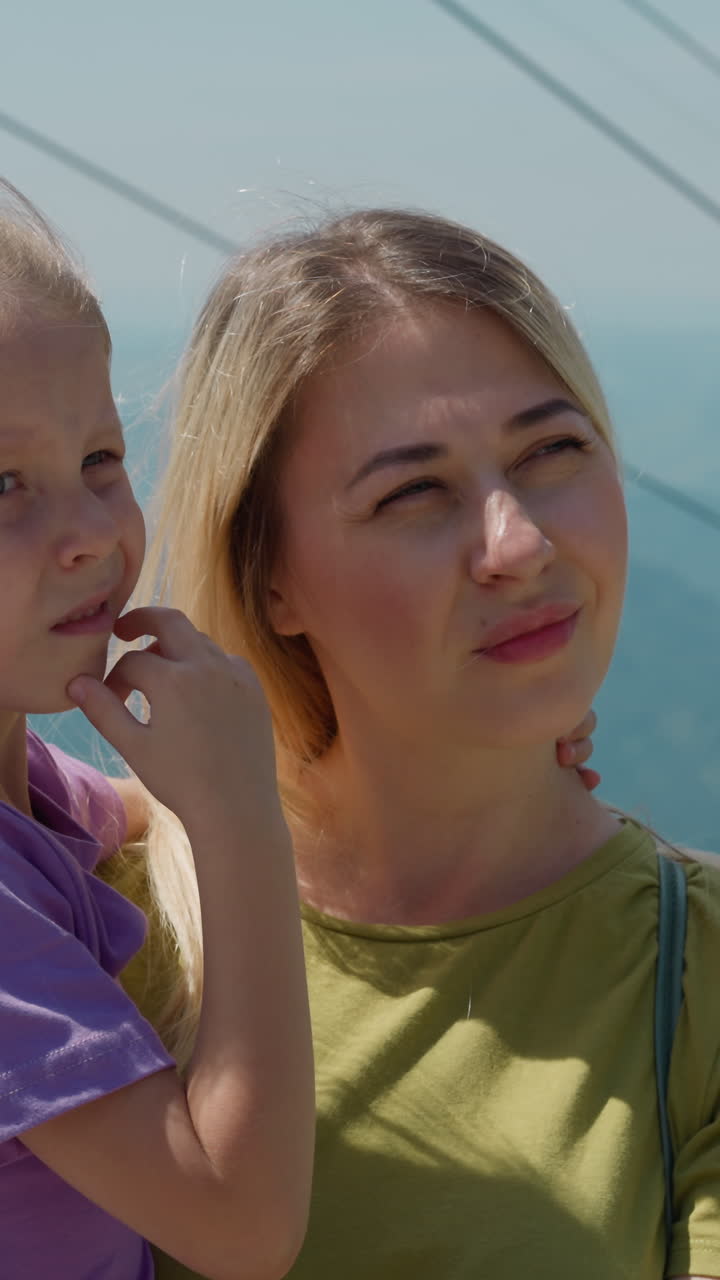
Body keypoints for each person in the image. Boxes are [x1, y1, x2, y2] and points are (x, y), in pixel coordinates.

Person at [106, 207, 720, 1280]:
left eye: (555, 448)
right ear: (270, 578)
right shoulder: (92, 922)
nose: (519, 543)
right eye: (415, 492)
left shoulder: (698, 973)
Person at [0, 180, 314, 1280]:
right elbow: (239, 1222)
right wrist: (238, 822)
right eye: (3, 484)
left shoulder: (22, 783)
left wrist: (487, 766)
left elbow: (145, 804)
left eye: (99, 459)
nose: (90, 530)